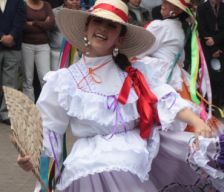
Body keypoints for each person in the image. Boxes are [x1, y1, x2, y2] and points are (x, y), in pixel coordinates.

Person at [17, 0, 224, 191]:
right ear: (86, 28)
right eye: (98, 21)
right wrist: (33, 159)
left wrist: (196, 121)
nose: (103, 28)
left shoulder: (136, 72)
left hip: (133, 155)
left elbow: (163, 97)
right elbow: (50, 132)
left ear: (120, 38)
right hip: (89, 163)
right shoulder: (63, 81)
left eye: (112, 25)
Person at [22, 0, 55, 101]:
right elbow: (22, 25)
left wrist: (33, 23)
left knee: (46, 78)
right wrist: (42, 23)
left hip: (43, 45)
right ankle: (29, 109)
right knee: (28, 80)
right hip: (26, 44)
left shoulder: (46, 5)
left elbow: (51, 24)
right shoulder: (23, 4)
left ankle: (46, 106)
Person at [0, 0, 25, 125]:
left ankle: (6, 113)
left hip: (13, 45)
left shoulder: (18, 1)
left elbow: (20, 20)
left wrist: (12, 36)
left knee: (10, 82)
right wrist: (1, 37)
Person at [197, 0, 224, 107]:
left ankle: (222, 101)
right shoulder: (202, 8)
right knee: (212, 76)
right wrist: (213, 48)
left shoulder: (222, 6)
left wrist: (216, 41)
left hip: (221, 45)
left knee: (222, 76)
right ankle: (213, 103)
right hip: (208, 48)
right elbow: (202, 29)